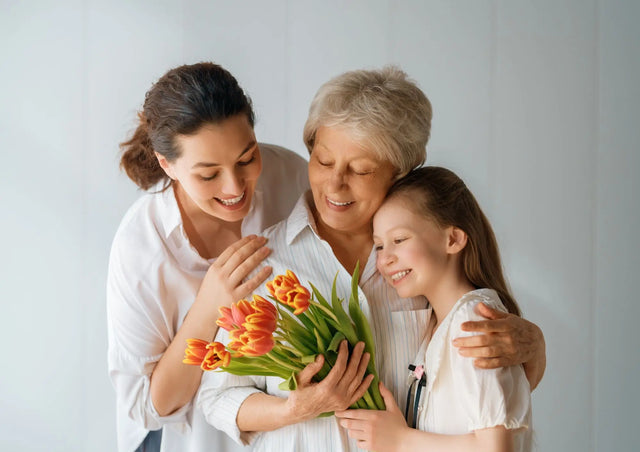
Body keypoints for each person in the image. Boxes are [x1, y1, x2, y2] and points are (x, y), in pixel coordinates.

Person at [197, 66, 545, 452]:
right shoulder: (263, 263)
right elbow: (216, 398)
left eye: (361, 170)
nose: (335, 184)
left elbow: (491, 397)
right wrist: (292, 409)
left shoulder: (420, 267)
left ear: (401, 171)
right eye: (324, 161)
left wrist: (535, 346)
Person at [106, 62, 309, 452]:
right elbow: (152, 406)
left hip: (278, 429)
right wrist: (210, 306)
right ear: (168, 165)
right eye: (208, 174)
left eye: (247, 159)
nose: (235, 187)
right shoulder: (142, 247)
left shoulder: (293, 179)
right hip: (179, 437)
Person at [335, 166, 532, 451]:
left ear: (452, 239)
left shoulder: (472, 321)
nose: (385, 259)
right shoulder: (439, 324)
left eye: (399, 240)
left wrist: (401, 440)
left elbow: (495, 448)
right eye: (378, 246)